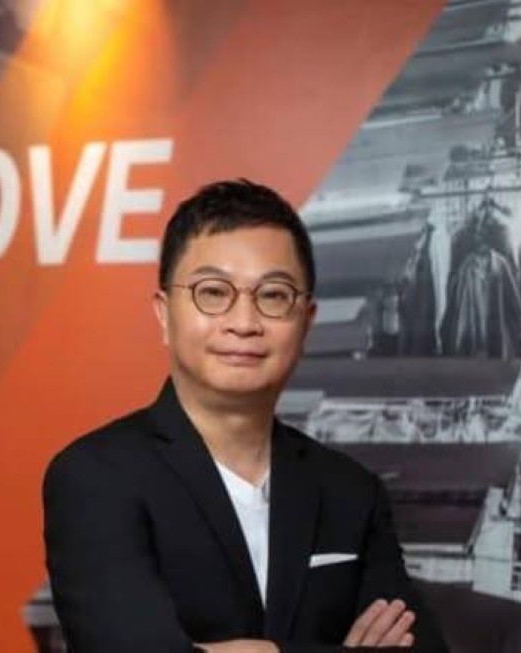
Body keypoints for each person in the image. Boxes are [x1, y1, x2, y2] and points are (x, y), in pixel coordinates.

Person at [42, 179, 448, 652]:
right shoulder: (95, 477)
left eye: (273, 295)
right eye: (213, 292)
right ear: (163, 314)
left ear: (306, 320)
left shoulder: (351, 491)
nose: (244, 322)